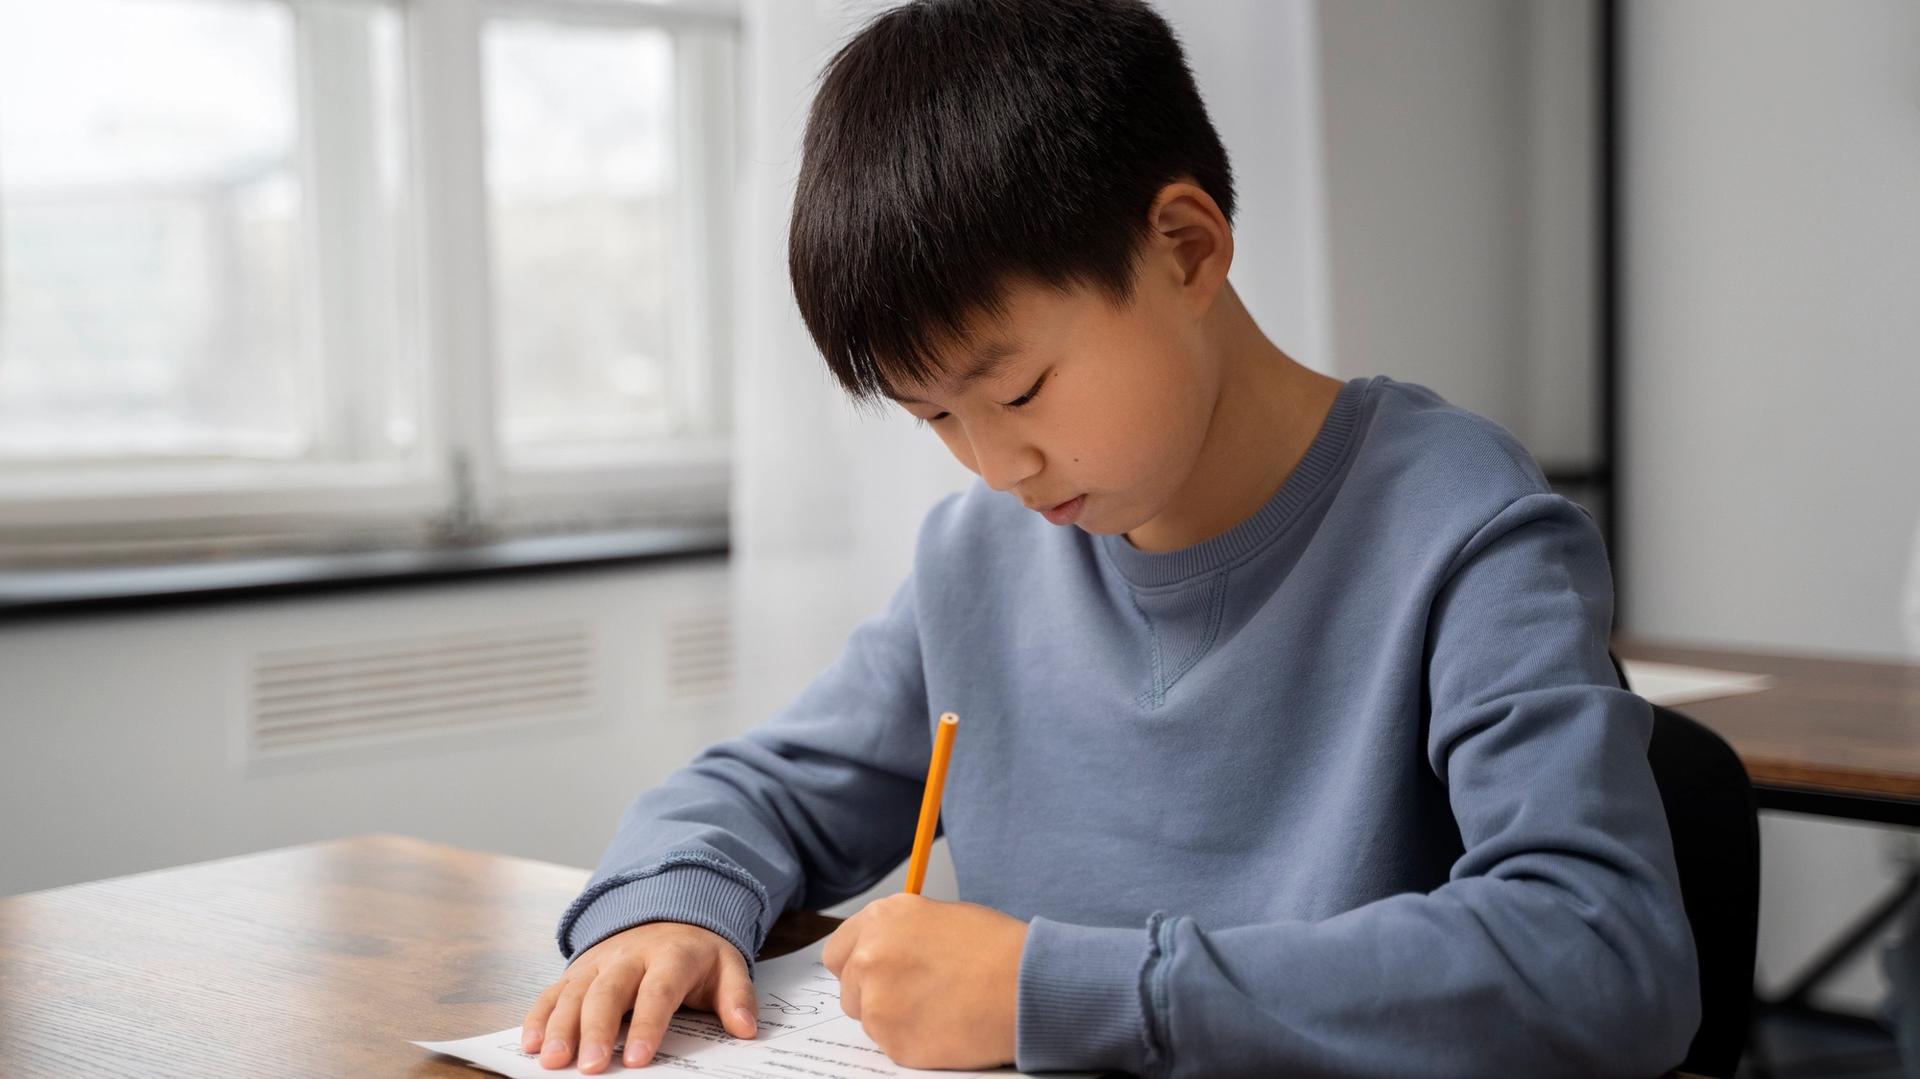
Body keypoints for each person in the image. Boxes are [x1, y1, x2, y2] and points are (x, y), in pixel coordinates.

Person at [519, 1, 1701, 1074]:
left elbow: (1601, 953)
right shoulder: (980, 558)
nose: (996, 465)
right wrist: (670, 904)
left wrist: (1060, 987)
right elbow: (755, 788)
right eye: (937, 417)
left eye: (1021, 391)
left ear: (1187, 247)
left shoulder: (1458, 521)